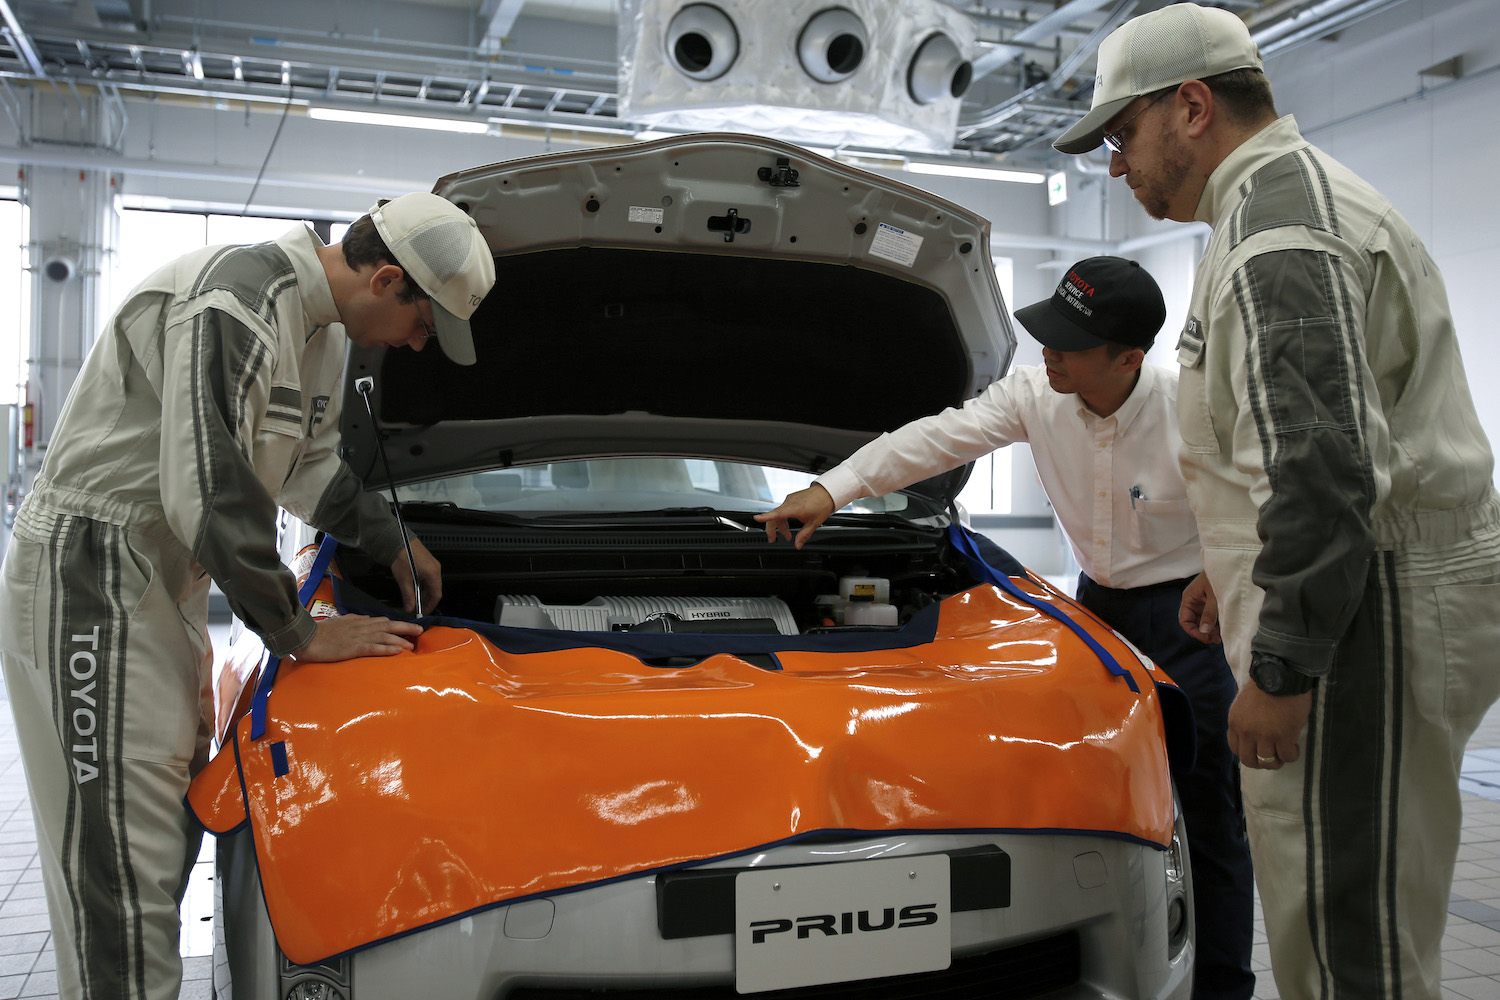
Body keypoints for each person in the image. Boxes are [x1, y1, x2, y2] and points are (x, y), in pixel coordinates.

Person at [1051, 5, 1500, 998]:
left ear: (1193, 107)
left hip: (1363, 628)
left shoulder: (1275, 238)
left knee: (1352, 944)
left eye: (1124, 134)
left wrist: (1285, 669)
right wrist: (1232, 566)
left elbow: (1328, 473)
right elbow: (1282, 446)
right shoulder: (1261, 211)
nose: (1117, 164)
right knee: (1335, 920)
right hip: (1355, 603)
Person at [0, 191, 496, 999]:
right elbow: (207, 487)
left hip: (163, 581)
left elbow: (305, 466)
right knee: (119, 879)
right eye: (423, 325)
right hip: (92, 574)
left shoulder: (323, 332)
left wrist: (390, 537)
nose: (416, 347)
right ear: (389, 280)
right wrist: (298, 631)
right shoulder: (240, 296)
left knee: (158, 844)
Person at [756, 255, 1255, 1000]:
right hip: (1099, 607)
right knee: (1101, 791)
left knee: (1211, 808)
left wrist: (1222, 567)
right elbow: (934, 438)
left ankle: (1222, 986)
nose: (1047, 353)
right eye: (1047, 336)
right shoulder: (1035, 395)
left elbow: (1252, 496)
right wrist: (834, 489)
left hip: (1194, 616)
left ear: (1128, 357)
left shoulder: (1195, 406)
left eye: (1068, 344)